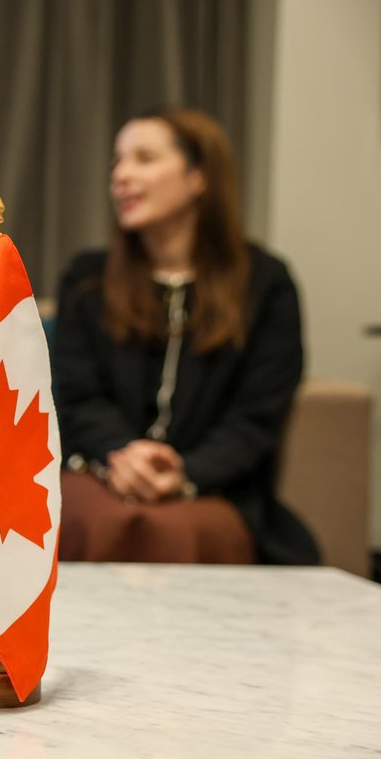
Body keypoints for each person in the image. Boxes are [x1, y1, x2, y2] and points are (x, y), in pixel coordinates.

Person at [52, 107, 319, 565]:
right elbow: (77, 397)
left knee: (174, 530)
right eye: (118, 161)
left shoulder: (267, 285)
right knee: (107, 520)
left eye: (144, 158)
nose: (121, 175)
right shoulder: (87, 278)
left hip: (217, 487)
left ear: (198, 177)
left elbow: (258, 417)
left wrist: (184, 473)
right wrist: (122, 455)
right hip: (97, 470)